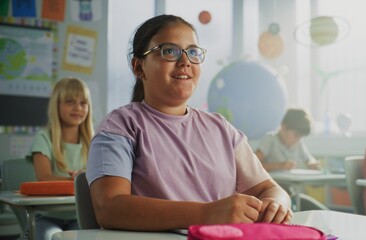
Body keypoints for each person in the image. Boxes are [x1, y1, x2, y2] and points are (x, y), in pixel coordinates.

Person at [85, 14, 292, 232]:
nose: (185, 61)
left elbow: (270, 189)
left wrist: (276, 204)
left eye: (193, 52)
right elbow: (109, 208)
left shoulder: (221, 128)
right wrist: (207, 213)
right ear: (138, 67)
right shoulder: (121, 125)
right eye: (170, 51)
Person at [28, 77, 94, 240]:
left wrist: (83, 176)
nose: (77, 108)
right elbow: (43, 177)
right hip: (47, 216)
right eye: (70, 101)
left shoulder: (95, 140)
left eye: (83, 103)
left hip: (82, 217)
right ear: (56, 105)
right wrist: (77, 180)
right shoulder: (43, 137)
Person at [255, 108, 320, 172]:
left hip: (293, 181)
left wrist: (312, 163)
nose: (298, 140)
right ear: (283, 127)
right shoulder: (270, 139)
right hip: (275, 181)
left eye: (300, 137)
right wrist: (279, 166)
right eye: (296, 135)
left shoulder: (298, 142)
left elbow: (309, 159)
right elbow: (253, 165)